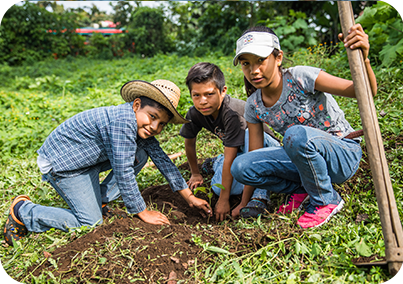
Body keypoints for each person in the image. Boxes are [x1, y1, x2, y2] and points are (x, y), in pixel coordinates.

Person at [3, 79, 212, 245]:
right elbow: (123, 171)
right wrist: (142, 211)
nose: (154, 126)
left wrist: (189, 197)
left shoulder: (136, 123)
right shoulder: (122, 122)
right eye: (152, 116)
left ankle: (99, 199)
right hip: (64, 165)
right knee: (90, 223)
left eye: (161, 124)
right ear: (136, 105)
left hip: (85, 160)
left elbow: (162, 160)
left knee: (142, 153)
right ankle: (24, 212)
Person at [230, 24, 377, 228]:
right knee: (241, 166)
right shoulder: (254, 105)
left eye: (261, 60)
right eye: (246, 64)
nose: (254, 70)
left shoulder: (300, 77)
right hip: (301, 161)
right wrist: (243, 203)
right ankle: (303, 188)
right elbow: (255, 154)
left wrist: (364, 58)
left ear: (278, 57)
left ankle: (326, 199)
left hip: (342, 154)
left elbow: (364, 91)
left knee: (295, 135)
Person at [179, 62, 280, 222]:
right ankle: (218, 162)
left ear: (223, 91)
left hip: (266, 150)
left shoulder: (232, 113)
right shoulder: (195, 113)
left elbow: (236, 156)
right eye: (196, 95)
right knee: (218, 189)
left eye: (209, 94)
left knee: (247, 137)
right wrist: (195, 173)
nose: (202, 101)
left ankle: (260, 195)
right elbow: (189, 142)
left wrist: (233, 202)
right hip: (238, 152)